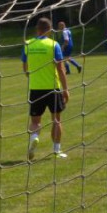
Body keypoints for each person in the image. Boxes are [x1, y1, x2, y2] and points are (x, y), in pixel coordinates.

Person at [22, 17, 70, 159]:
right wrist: (66, 89)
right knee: (56, 120)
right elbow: (61, 69)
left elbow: (25, 68)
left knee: (35, 121)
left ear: (37, 29)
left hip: (35, 88)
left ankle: (34, 137)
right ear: (49, 30)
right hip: (53, 88)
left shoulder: (28, 44)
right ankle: (56, 150)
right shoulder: (53, 45)